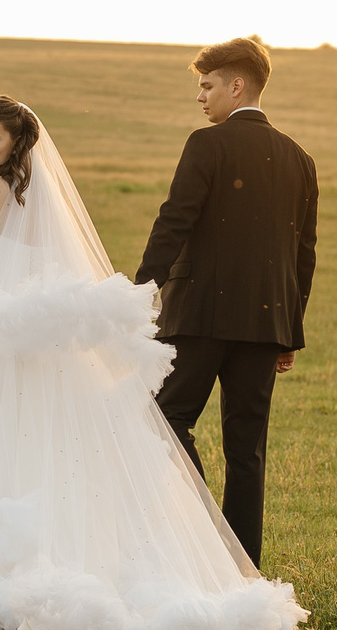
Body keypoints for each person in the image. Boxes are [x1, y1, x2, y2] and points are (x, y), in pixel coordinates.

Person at [0, 95, 307, 630]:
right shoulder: (46, 195)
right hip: (56, 345)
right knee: (64, 447)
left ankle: (1, 569)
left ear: (15, 142)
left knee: (2, 442)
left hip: (7, 343)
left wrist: (0, 296)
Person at [134, 38, 317, 566]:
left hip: (199, 316)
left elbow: (174, 221)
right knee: (246, 451)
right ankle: (243, 570)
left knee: (164, 419)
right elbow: (303, 253)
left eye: (207, 85)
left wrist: (139, 293)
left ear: (237, 86)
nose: (200, 97)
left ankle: (207, 537)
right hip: (265, 325)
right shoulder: (300, 159)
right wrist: (289, 331)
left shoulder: (206, 144)